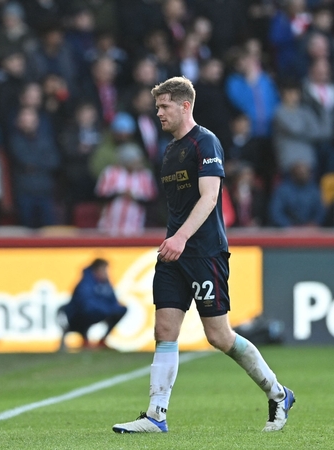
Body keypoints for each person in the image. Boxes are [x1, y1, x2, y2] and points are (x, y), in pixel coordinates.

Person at [112, 77, 295, 434]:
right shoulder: (169, 151)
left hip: (203, 252)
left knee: (219, 336)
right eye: (157, 107)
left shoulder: (205, 142)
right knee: (165, 329)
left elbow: (209, 198)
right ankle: (155, 415)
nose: (159, 113)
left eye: (164, 106)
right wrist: (174, 240)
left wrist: (180, 237)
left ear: (184, 105)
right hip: (174, 252)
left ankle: (277, 393)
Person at [56, 259, 127, 351]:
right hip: (76, 318)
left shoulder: (106, 283)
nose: (106, 272)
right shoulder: (85, 283)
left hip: (98, 313)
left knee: (120, 310)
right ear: (97, 270)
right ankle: (85, 340)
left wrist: (114, 309)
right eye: (104, 269)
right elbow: (86, 304)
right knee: (87, 313)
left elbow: (113, 301)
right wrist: (107, 309)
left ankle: (102, 341)